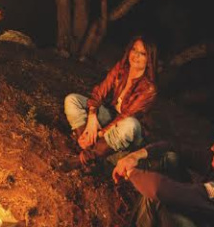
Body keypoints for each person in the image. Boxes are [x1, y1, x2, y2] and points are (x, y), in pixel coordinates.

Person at [62, 36, 157, 172]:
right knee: (72, 100)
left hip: (131, 132)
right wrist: (92, 117)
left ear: (149, 59)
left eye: (142, 53)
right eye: (134, 50)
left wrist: (99, 133)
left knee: (130, 124)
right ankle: (88, 146)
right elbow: (99, 92)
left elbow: (126, 116)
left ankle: (86, 158)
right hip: (111, 117)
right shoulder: (121, 68)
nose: (135, 56)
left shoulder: (149, 88)